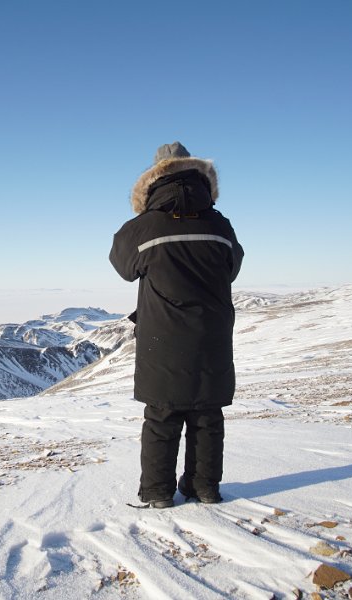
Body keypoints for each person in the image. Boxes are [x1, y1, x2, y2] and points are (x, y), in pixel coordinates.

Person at [109, 142, 244, 508]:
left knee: (162, 416)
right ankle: (205, 487)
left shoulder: (145, 227)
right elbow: (233, 266)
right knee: (207, 413)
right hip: (212, 335)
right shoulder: (219, 225)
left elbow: (122, 265)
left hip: (162, 338)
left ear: (155, 177)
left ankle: (157, 493)